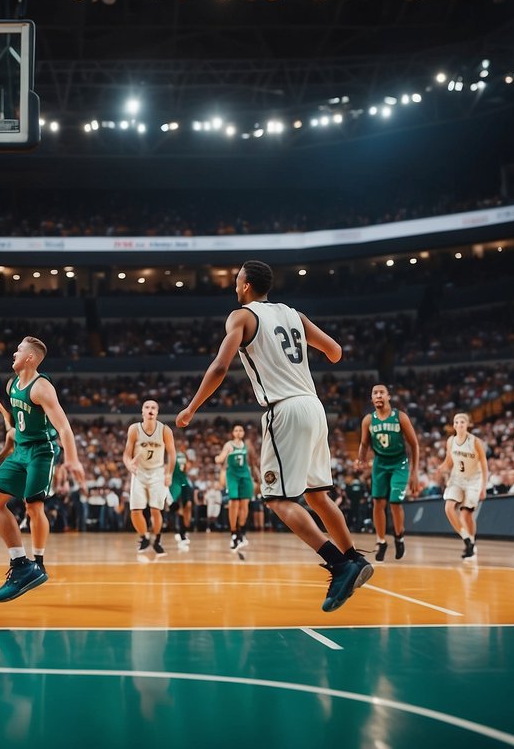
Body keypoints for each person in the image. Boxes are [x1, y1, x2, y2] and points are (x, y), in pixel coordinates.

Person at [177, 260, 372, 613]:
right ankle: (354, 557)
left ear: (247, 285)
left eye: (236, 280)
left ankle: (339, 563)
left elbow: (220, 366)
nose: (235, 286)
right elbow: (335, 351)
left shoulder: (241, 316)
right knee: (317, 496)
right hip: (314, 406)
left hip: (284, 409)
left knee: (276, 498)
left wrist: (191, 408)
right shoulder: (294, 313)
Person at [0, 337, 87, 602]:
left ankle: (38, 564)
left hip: (42, 452)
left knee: (33, 507)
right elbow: (19, 423)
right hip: (20, 452)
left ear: (30, 358)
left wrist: (72, 459)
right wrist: (9, 448)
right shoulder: (11, 385)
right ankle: (20, 564)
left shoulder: (42, 387)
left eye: (18, 350)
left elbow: (64, 427)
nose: (13, 353)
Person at [355, 384, 419, 561]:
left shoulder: (400, 417)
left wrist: (414, 472)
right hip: (380, 464)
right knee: (377, 503)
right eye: (375, 393)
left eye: (381, 392)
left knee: (394, 503)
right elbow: (364, 443)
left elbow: (414, 444)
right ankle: (381, 541)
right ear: (372, 399)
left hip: (399, 464)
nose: (378, 395)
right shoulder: (368, 420)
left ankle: (399, 537)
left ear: (388, 396)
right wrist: (360, 459)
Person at [124, 400, 176, 556]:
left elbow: (172, 453)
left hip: (157, 472)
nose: (150, 410)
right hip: (139, 472)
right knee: (135, 510)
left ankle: (158, 539)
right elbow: (127, 454)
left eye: (153, 408)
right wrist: (129, 464)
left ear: (157, 412)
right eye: (147, 407)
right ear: (142, 412)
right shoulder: (134, 429)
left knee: (155, 509)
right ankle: (144, 537)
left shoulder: (165, 430)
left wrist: (169, 473)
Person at [435, 413, 488, 559]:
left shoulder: (475, 442)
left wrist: (483, 486)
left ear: (468, 424)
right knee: (448, 508)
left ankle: (472, 541)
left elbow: (484, 464)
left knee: (466, 514)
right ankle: (466, 539)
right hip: (457, 478)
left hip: (474, 479)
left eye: (462, 422)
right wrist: (441, 467)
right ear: (453, 425)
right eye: (456, 422)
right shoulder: (450, 441)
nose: (459, 424)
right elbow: (449, 460)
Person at [215, 425, 254, 551]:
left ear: (243, 433)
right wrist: (218, 458)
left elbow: (252, 461)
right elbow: (220, 458)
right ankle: (233, 533)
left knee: (244, 505)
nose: (238, 432)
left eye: (241, 430)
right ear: (232, 433)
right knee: (233, 503)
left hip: (245, 476)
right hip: (232, 476)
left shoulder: (247, 445)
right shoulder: (229, 445)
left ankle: (241, 531)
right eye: (236, 430)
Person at [168, 445, 195, 550]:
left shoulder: (185, 456)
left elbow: (188, 467)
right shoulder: (171, 455)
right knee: (177, 508)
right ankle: (179, 532)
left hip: (184, 482)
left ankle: (184, 530)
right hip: (175, 483)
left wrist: (187, 458)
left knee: (188, 505)